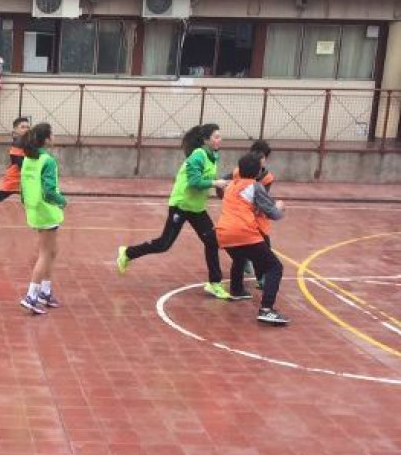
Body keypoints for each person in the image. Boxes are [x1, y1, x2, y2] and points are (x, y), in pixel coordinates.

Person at [115, 123, 231, 299]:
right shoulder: (197, 156)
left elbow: (205, 179)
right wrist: (215, 183)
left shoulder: (213, 155)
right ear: (206, 140)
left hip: (197, 207)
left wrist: (218, 186)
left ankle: (214, 283)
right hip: (181, 204)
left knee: (212, 242)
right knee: (164, 244)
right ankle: (127, 253)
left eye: (220, 136)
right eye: (216, 136)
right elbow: (194, 182)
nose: (219, 140)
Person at [216, 151, 289, 325]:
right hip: (244, 231)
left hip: (223, 232)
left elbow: (244, 204)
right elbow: (273, 214)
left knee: (239, 257)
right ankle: (266, 309)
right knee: (275, 267)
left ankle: (236, 289)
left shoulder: (231, 186)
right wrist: (278, 207)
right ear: (258, 172)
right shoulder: (255, 186)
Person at [18, 123, 66, 315]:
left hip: (34, 208)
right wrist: (62, 201)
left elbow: (22, 186)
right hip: (46, 210)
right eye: (52, 134)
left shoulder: (28, 158)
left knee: (52, 251)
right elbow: (48, 190)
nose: (54, 137)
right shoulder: (48, 161)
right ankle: (31, 296)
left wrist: (26, 203)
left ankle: (45, 292)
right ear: (46, 139)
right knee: (45, 254)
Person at [224, 140, 275, 286]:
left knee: (263, 246)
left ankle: (261, 277)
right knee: (248, 246)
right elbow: (224, 181)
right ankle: (243, 281)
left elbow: (263, 198)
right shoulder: (238, 172)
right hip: (243, 217)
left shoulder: (266, 177)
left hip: (253, 216)